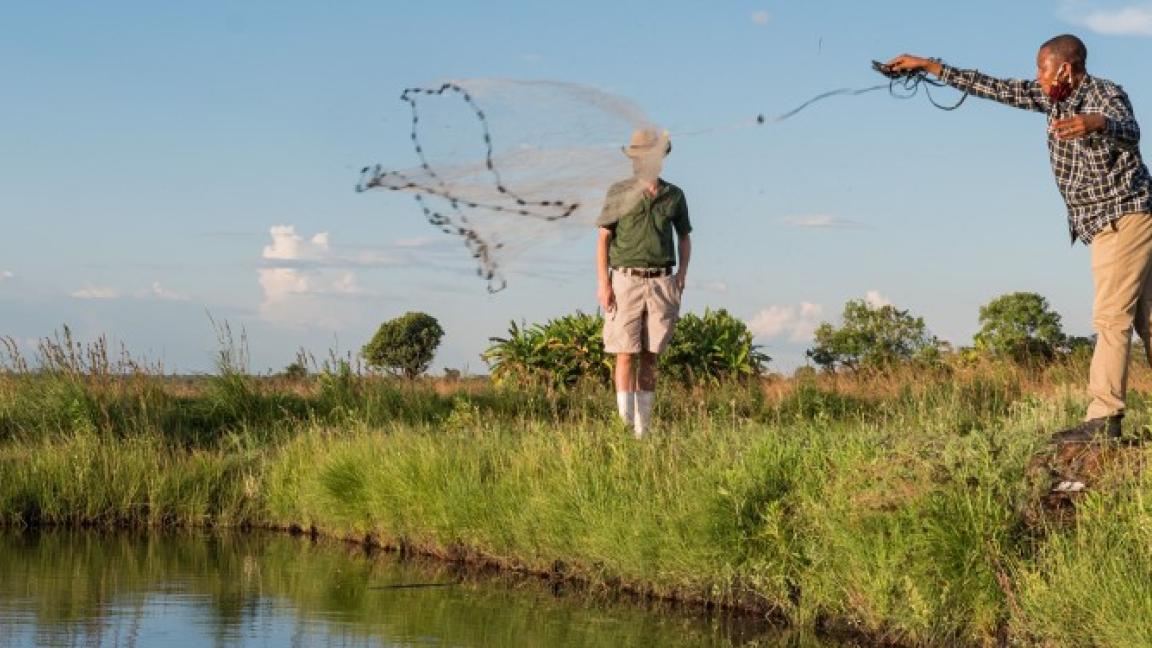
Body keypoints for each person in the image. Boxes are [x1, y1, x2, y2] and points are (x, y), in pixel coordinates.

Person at [887, 34, 1152, 442]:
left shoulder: (1105, 94)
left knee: (1111, 317)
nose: (1037, 78)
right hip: (1114, 219)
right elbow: (994, 86)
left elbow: (1131, 131)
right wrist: (928, 66)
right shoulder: (1052, 98)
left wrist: (1098, 124)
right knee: (1147, 320)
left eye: (1042, 69)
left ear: (1064, 68)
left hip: (1123, 216)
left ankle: (1104, 418)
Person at [596, 128, 692, 438]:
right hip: (625, 279)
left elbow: (685, 237)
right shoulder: (619, 191)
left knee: (651, 354)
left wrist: (681, 277)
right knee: (624, 352)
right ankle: (623, 427)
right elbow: (603, 238)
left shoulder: (674, 195)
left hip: (662, 280)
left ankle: (643, 431)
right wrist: (604, 283)